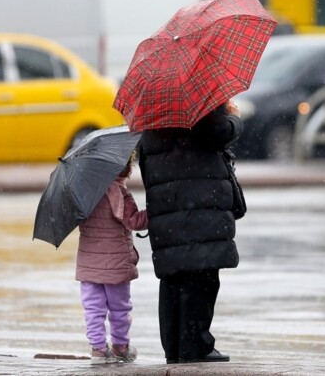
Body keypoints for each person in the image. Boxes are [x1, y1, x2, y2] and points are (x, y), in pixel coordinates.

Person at [137, 99, 243, 364]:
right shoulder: (200, 96)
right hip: (201, 199)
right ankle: (195, 346)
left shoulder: (152, 104)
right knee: (202, 274)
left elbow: (144, 157)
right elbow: (217, 133)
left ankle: (174, 347)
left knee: (174, 276)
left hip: (167, 202)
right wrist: (234, 119)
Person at [76, 154, 147, 365]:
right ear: (125, 171)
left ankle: (98, 349)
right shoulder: (119, 193)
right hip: (115, 265)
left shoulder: (83, 193)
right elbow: (134, 221)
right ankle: (120, 346)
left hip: (88, 264)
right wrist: (154, 214)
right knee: (119, 307)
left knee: (93, 307)